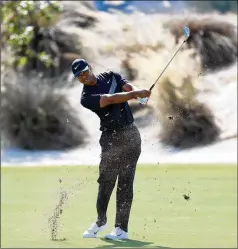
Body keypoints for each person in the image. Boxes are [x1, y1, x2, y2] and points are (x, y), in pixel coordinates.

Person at [71, 58, 151, 240]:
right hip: (110, 138)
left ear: (90, 67)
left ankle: (121, 229)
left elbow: (126, 87)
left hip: (130, 135)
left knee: (125, 182)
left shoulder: (110, 76)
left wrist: (138, 94)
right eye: (79, 76)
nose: (83, 77)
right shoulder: (86, 98)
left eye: (84, 71)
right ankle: (101, 220)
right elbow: (109, 99)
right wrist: (136, 94)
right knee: (106, 181)